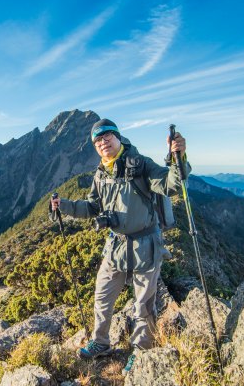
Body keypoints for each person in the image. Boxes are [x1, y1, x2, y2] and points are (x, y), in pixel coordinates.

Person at [50, 118, 189, 375]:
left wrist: (178, 157)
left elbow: (173, 184)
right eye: (97, 140)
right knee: (102, 297)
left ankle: (141, 352)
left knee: (144, 304)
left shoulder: (141, 164)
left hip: (146, 245)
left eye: (107, 136)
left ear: (117, 137)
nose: (103, 142)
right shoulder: (101, 174)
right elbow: (91, 207)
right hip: (115, 247)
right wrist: (65, 206)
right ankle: (101, 342)